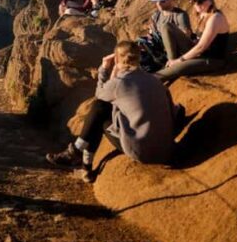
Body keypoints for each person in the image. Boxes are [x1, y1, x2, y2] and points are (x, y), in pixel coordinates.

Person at [46, 41, 177, 182]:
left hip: (142, 152)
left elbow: (99, 95)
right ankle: (84, 166)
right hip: (166, 149)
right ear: (139, 58)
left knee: (99, 108)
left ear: (116, 59)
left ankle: (79, 157)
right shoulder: (155, 80)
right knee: (105, 110)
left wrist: (104, 69)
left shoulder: (120, 82)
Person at [154, 0, 230, 82]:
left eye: (200, 1)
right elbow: (200, 42)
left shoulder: (215, 18)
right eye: (194, 1)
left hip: (212, 60)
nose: (196, 4)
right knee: (167, 26)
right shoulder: (204, 14)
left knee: (168, 72)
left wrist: (179, 60)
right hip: (200, 54)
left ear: (210, 1)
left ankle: (152, 81)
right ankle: (171, 61)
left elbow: (201, 47)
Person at [138, 0, 193, 72]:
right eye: (156, 1)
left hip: (177, 51)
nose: (158, 3)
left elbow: (186, 37)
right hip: (161, 51)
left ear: (171, 0)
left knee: (166, 27)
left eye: (162, 1)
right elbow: (152, 34)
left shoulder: (179, 15)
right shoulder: (156, 16)